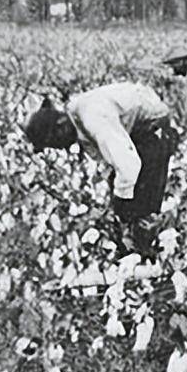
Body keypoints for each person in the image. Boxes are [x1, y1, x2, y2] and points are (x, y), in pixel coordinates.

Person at [23, 83, 178, 255]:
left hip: (152, 129)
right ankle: (136, 247)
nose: (59, 149)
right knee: (125, 204)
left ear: (60, 128)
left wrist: (120, 205)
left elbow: (128, 165)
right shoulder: (76, 118)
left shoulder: (92, 118)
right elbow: (107, 164)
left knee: (141, 207)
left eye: (53, 143)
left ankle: (150, 253)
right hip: (135, 130)